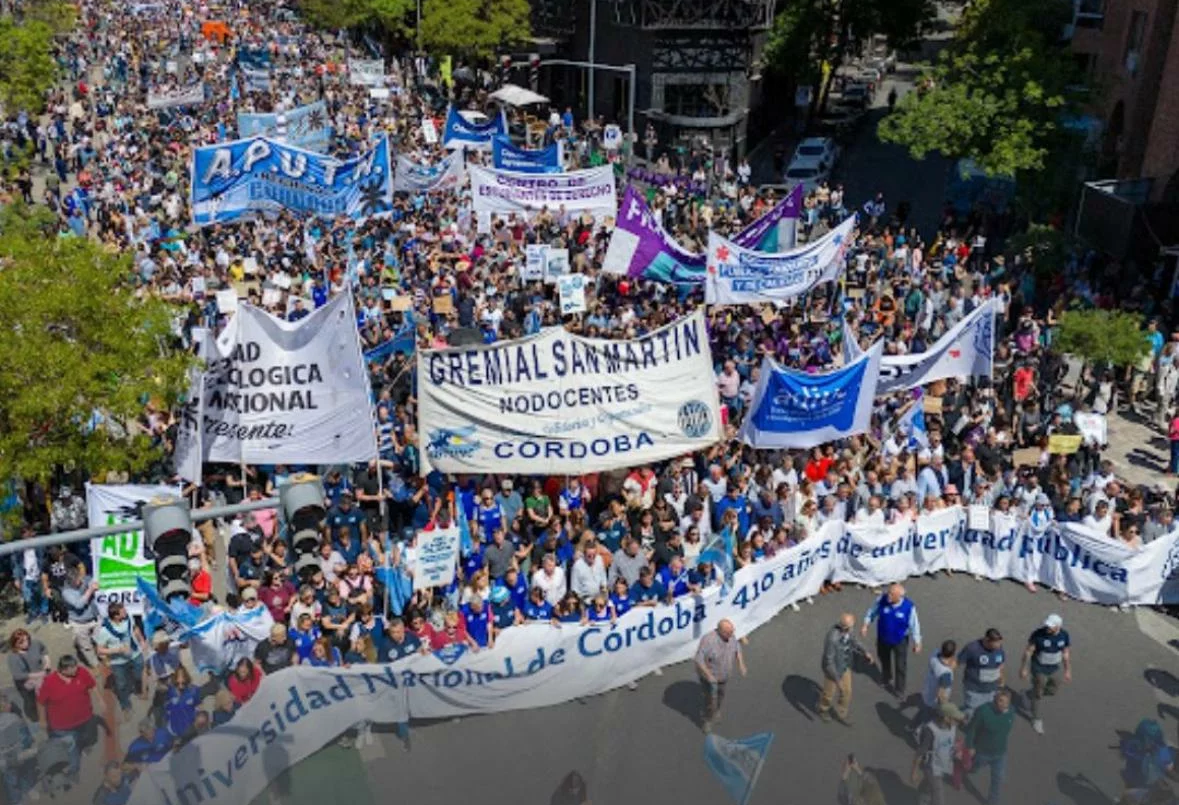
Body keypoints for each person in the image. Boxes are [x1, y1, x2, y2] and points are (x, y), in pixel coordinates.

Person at [36, 654, 99, 786]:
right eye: (73, 668)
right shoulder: (50, 682)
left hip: (84, 719)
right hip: (63, 727)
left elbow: (91, 685)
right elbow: (41, 702)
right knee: (71, 750)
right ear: (64, 670)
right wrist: (42, 720)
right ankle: (73, 771)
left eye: (76, 665)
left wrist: (101, 700)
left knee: (84, 737)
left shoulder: (81, 672)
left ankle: (84, 746)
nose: (77, 669)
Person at [861, 582, 922, 698]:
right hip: (883, 637)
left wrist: (917, 642)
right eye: (889, 592)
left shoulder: (908, 607)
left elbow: (915, 625)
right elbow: (872, 612)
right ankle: (886, 677)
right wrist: (866, 624)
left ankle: (900, 689)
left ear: (900, 596)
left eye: (891, 594)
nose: (888, 595)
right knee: (884, 659)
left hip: (900, 640)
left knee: (900, 665)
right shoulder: (882, 600)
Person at [1019, 613, 1071, 735]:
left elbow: (1066, 653)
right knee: (1038, 694)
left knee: (1053, 690)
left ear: (1058, 626)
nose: (1047, 627)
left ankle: (1027, 694)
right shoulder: (1038, 634)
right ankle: (1035, 718)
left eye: (1051, 626)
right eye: (1047, 625)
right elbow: (1028, 651)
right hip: (1038, 668)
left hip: (1054, 668)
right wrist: (1024, 668)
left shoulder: (1064, 636)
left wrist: (1068, 670)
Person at [93, 601, 146, 720]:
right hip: (118, 662)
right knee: (121, 685)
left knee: (139, 674)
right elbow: (99, 650)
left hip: (134, 654)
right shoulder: (104, 631)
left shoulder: (128, 619)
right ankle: (125, 705)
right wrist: (117, 650)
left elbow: (135, 628)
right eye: (123, 611)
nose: (126, 612)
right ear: (116, 616)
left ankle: (137, 688)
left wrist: (142, 640)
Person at [962, 688, 1016, 805]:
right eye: (1001, 701)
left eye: (1007, 702)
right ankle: (961, 769)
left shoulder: (1011, 711)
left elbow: (1008, 726)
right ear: (995, 699)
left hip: (1000, 753)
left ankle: (992, 802)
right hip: (982, 752)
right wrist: (970, 746)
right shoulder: (983, 711)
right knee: (973, 768)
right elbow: (972, 729)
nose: (1004, 705)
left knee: (998, 779)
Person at [819, 613, 874, 725]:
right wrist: (837, 680)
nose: (853, 628)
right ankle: (823, 708)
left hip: (844, 665)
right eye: (851, 626)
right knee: (829, 694)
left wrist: (865, 651)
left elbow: (855, 641)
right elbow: (829, 661)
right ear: (845, 627)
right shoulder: (832, 638)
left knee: (847, 691)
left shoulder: (848, 632)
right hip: (832, 671)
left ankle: (842, 713)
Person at [694, 619, 746, 733]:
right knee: (710, 700)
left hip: (724, 675)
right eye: (729, 633)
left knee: (721, 694)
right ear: (720, 631)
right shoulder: (708, 640)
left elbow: (737, 648)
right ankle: (707, 720)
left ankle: (716, 710)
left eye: (733, 632)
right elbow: (698, 658)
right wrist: (708, 674)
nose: (732, 635)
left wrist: (741, 664)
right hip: (710, 678)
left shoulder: (731, 636)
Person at [911, 702, 966, 805]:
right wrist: (914, 771)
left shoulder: (952, 726)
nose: (958, 721)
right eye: (955, 718)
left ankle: (921, 800)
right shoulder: (930, 731)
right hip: (931, 767)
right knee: (938, 794)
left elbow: (949, 741)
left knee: (927, 786)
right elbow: (920, 752)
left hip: (943, 764)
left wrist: (956, 749)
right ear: (946, 718)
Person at [911, 640, 957, 738]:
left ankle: (911, 726)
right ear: (953, 654)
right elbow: (941, 694)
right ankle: (919, 733)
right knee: (929, 719)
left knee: (922, 711)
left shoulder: (935, 654)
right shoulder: (946, 674)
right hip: (934, 701)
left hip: (927, 691)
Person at [959, 628, 1005, 718]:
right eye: (995, 644)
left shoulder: (999, 648)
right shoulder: (972, 648)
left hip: (992, 690)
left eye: (999, 643)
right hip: (974, 691)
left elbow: (1001, 664)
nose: (998, 646)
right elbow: (958, 662)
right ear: (987, 640)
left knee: (987, 714)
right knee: (972, 714)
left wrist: (1001, 678)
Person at [7, 628, 50, 721]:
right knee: (32, 701)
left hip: (42, 677)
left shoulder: (35, 644)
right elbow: (18, 675)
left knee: (46, 696)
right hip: (27, 684)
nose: (26, 643)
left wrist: (47, 662)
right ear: (15, 644)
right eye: (21, 642)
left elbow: (44, 650)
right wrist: (38, 675)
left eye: (27, 639)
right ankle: (35, 716)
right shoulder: (13, 657)